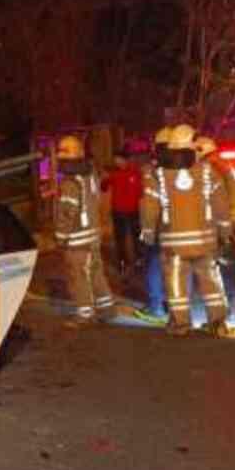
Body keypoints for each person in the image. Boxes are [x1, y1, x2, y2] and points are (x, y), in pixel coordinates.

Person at [140, 124, 232, 335]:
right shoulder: (209, 173)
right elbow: (221, 205)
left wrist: (147, 233)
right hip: (205, 241)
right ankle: (218, 323)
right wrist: (226, 232)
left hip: (173, 243)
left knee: (176, 284)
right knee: (211, 282)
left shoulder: (159, 176)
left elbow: (149, 207)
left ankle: (181, 324)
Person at [53, 134, 114, 320]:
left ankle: (85, 314)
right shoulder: (89, 175)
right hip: (93, 235)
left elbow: (67, 213)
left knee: (79, 277)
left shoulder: (70, 182)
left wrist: (61, 237)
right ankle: (107, 308)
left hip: (77, 239)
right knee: (96, 273)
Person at [196, 136, 235, 308]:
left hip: (227, 219)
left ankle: (226, 299)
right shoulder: (230, 164)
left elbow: (217, 197)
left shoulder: (212, 168)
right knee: (232, 258)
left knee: (223, 261)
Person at [133, 127, 172, 325]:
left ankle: (155, 307)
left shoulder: (152, 171)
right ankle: (178, 307)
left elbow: (150, 204)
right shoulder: (187, 167)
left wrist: (147, 231)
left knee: (155, 265)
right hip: (180, 226)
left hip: (158, 228)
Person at [102, 144, 144, 274]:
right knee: (120, 238)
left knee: (136, 236)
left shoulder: (135, 172)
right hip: (118, 211)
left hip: (133, 211)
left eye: (118, 159)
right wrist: (104, 179)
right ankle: (123, 262)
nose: (116, 162)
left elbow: (141, 191)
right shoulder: (113, 174)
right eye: (115, 160)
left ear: (125, 159)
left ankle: (138, 260)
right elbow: (103, 187)